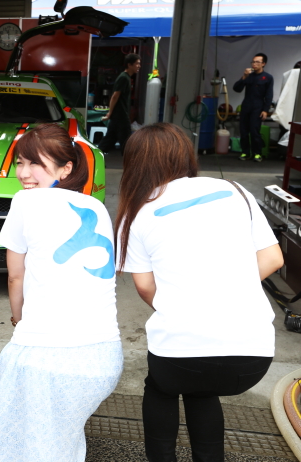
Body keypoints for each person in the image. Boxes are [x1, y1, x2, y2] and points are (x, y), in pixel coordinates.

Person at [114, 123, 284, 462]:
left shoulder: (136, 213)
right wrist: (226, 286)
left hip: (180, 356)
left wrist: (185, 300)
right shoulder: (235, 191)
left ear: (135, 165)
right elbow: (273, 258)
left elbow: (145, 286)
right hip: (253, 357)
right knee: (201, 390)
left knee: (164, 385)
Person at [0, 124, 123, 462]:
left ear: (65, 169)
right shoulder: (96, 207)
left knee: (20, 442)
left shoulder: (26, 200)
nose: (24, 173)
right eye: (20, 163)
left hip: (47, 357)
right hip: (104, 358)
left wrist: (19, 320)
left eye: (36, 164)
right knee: (61, 440)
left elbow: (16, 277)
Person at [233, 52, 274, 162]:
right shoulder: (248, 76)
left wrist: (265, 110)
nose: (254, 64)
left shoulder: (268, 77)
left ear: (263, 64)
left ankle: (257, 153)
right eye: (253, 62)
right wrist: (244, 76)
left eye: (257, 62)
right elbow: (236, 89)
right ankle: (245, 152)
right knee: (243, 131)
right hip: (246, 105)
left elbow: (269, 95)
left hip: (258, 107)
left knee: (254, 131)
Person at [98, 53, 141, 154]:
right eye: (137, 63)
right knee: (126, 142)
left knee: (109, 139)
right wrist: (110, 113)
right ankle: (130, 160)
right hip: (121, 115)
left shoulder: (126, 78)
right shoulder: (123, 78)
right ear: (129, 64)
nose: (139, 66)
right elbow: (115, 96)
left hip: (119, 115)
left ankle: (95, 156)